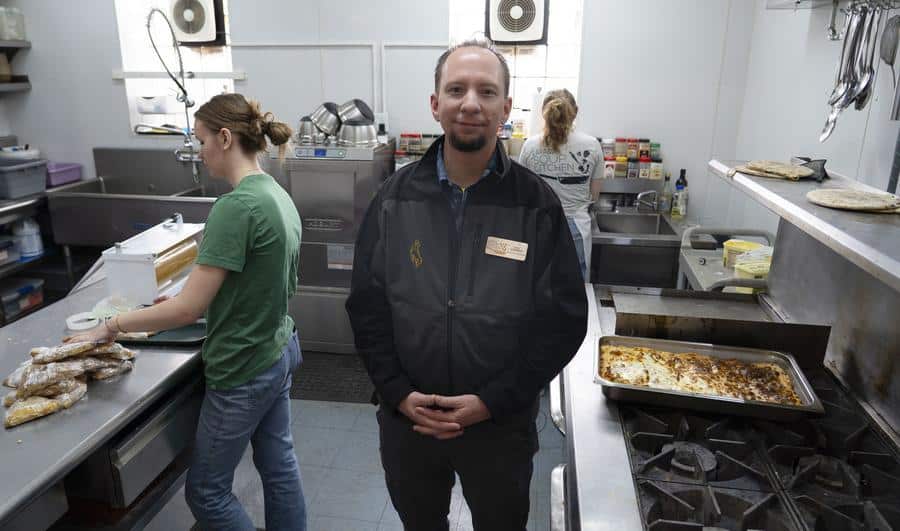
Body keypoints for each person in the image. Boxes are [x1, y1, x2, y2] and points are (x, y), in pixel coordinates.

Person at [345, 40, 588, 531]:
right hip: (410, 423)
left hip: (498, 428)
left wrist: (494, 401)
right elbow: (367, 306)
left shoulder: (534, 204)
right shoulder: (394, 198)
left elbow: (563, 320)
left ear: (506, 107)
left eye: (486, 91)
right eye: (456, 89)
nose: (470, 103)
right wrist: (396, 392)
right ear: (435, 104)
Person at [65, 93, 306, 531]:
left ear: (226, 138)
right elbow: (252, 285)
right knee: (279, 466)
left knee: (206, 493)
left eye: (201, 141)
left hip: (244, 366)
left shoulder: (236, 208)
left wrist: (111, 326)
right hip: (278, 347)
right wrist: (187, 304)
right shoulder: (274, 192)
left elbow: (187, 308)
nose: (200, 152)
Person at [519, 89, 602, 280]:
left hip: (539, 227)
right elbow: (595, 195)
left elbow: (523, 191)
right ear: (576, 111)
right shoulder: (592, 145)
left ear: (543, 113)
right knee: (574, 290)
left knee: (538, 288)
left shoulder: (529, 146)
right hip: (576, 229)